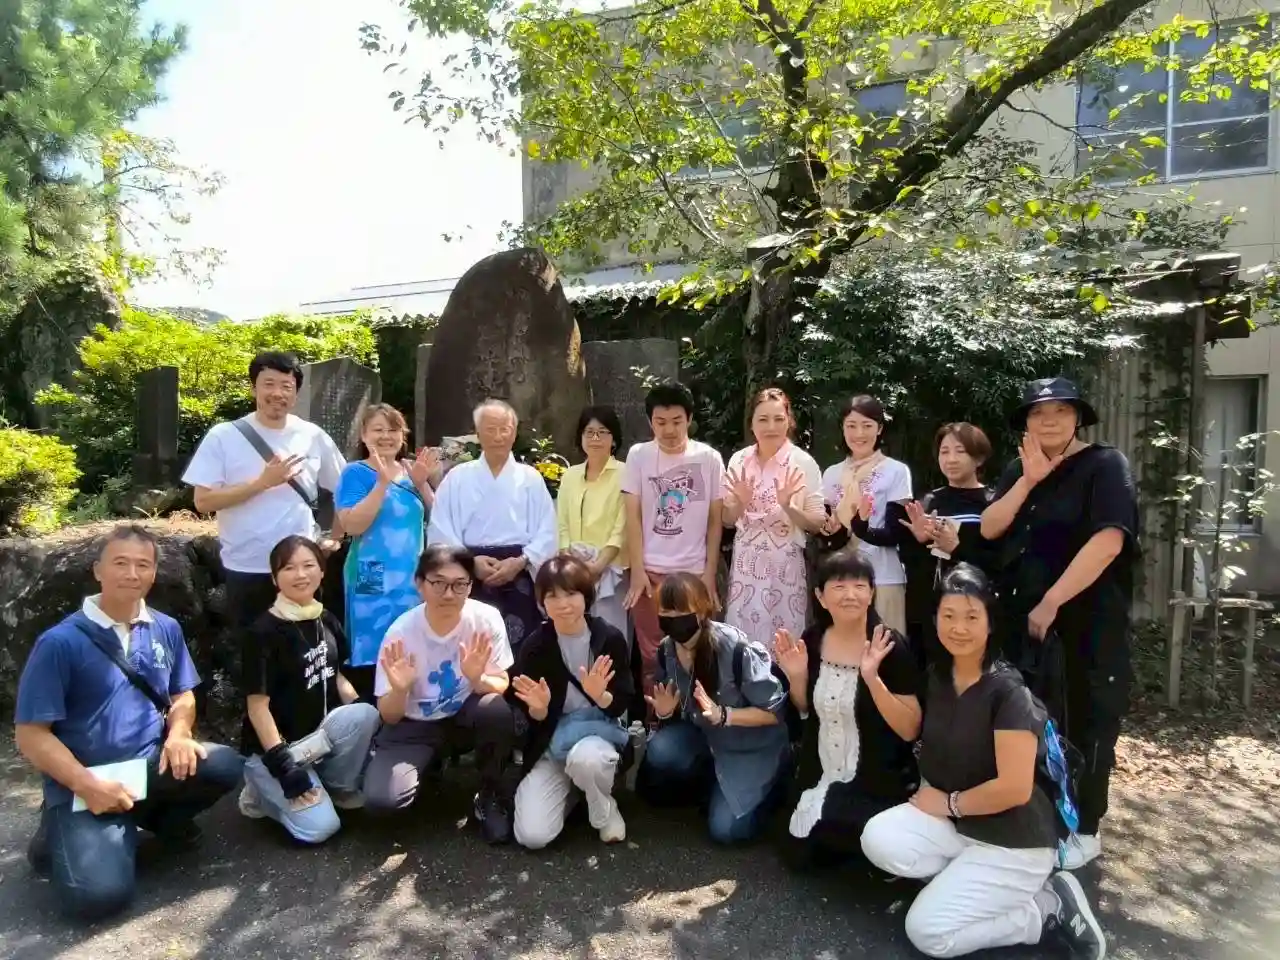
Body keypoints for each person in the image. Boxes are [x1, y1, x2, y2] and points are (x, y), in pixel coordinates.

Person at [860, 564, 1106, 960]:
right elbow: (910, 729)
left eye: (971, 617)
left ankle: (1045, 908)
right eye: (949, 615)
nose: (958, 627)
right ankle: (969, 886)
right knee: (879, 838)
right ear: (935, 619)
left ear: (991, 623)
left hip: (1014, 840)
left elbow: (1014, 788)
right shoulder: (940, 676)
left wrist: (948, 803)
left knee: (927, 933)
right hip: (962, 827)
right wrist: (873, 679)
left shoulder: (1009, 693)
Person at [14, 525, 244, 921]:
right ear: (98, 570)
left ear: (154, 573)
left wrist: (179, 734)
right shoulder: (60, 643)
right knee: (98, 897)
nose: (132, 574)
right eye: (120, 563)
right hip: (86, 779)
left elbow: (182, 695)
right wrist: (87, 785)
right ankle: (57, 832)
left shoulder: (165, 627)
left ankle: (152, 818)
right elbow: (31, 734)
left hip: (148, 766)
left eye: (143, 565)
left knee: (224, 764)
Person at [980, 377, 1138, 871]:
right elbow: (989, 527)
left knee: (1087, 720)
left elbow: (1109, 540)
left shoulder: (1105, 466)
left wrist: (1052, 601)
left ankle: (1085, 828)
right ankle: (1036, 818)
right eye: (1037, 413)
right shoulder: (1018, 468)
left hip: (1086, 621)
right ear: (1026, 423)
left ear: (1078, 418)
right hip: (1024, 623)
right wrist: (1028, 480)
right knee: (1030, 722)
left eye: (1060, 411)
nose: (1048, 421)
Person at [364, 545, 518, 843]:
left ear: (470, 586)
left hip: (463, 716)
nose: (449, 594)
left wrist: (477, 677)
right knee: (382, 802)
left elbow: (501, 684)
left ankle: (489, 795)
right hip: (412, 725)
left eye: (459, 584)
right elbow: (389, 714)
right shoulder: (400, 633)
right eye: (438, 583)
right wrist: (400, 689)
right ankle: (428, 769)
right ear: (419, 584)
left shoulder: (486, 619)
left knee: (495, 710)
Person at [183, 351, 346, 630]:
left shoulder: (312, 435)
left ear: (295, 393)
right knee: (252, 650)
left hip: (301, 569)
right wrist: (262, 483)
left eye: (286, 386)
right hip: (247, 567)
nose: (278, 393)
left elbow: (345, 487)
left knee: (305, 650)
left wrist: (336, 536)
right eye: (268, 384)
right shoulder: (224, 436)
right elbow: (203, 501)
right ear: (253, 388)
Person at [780, 551, 920, 867]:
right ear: (820, 596)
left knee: (851, 836)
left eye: (859, 586)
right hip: (821, 771)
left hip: (876, 775)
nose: (850, 595)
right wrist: (797, 677)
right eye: (839, 586)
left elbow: (910, 728)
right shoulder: (813, 639)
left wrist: (872, 679)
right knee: (801, 852)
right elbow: (805, 710)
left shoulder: (889, 645)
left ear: (872, 593)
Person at [238, 536, 382, 843]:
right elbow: (257, 707)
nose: (300, 574)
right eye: (289, 568)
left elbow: (336, 675)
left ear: (322, 571)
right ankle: (260, 794)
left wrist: (364, 714)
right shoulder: (262, 633)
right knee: (320, 828)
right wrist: (284, 766)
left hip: (317, 740)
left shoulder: (325, 618)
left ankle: (335, 788)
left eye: (308, 565)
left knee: (366, 714)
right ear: (274, 578)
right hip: (276, 750)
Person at [634, 573, 790, 843]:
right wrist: (665, 713)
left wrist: (725, 715)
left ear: (703, 609)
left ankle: (772, 784)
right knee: (661, 750)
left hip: (749, 747)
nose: (673, 618)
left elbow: (775, 712)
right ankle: (714, 784)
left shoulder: (736, 649)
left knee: (726, 831)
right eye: (666, 612)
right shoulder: (667, 651)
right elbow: (678, 707)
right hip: (707, 738)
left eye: (681, 611)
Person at [509, 553, 634, 849]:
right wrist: (538, 710)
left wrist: (600, 695)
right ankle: (579, 792)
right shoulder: (535, 646)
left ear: (586, 596)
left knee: (587, 761)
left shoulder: (608, 638)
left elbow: (621, 703)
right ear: (542, 601)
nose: (562, 603)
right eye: (552, 596)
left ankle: (603, 808)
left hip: (595, 736)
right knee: (532, 836)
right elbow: (531, 716)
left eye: (571, 593)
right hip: (553, 742)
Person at [857, 422, 1000, 666]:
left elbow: (999, 560)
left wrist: (958, 549)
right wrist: (919, 542)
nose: (951, 459)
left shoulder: (992, 502)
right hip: (930, 613)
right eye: (944, 452)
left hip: (975, 610)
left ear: (979, 458)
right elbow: (911, 562)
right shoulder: (928, 501)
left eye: (960, 451)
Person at [427, 399, 557, 649]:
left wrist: (521, 561)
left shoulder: (530, 478)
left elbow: (548, 530)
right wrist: (469, 562)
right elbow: (441, 528)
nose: (498, 436)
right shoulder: (457, 478)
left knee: (522, 647)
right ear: (477, 434)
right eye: (490, 429)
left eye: (504, 429)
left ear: (514, 433)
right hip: (468, 571)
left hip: (518, 571)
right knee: (470, 644)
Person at [622, 381, 725, 695]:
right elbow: (632, 517)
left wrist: (709, 574)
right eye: (661, 422)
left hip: (693, 573)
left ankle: (701, 713)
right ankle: (657, 718)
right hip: (650, 573)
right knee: (651, 655)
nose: (669, 430)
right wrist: (638, 571)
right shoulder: (638, 456)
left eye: (677, 421)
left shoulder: (709, 458)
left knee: (699, 648)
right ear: (650, 422)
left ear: (689, 419)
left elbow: (715, 521)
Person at [336, 403, 440, 699]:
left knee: (411, 645)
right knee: (373, 648)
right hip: (370, 574)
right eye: (378, 430)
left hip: (411, 576)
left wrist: (421, 483)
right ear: (364, 435)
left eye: (393, 429)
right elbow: (352, 525)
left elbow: (437, 518)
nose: (386, 436)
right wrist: (381, 485)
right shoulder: (356, 473)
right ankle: (372, 711)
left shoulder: (411, 470)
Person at [722, 387, 825, 657]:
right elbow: (727, 520)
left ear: (789, 421)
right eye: (763, 419)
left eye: (779, 419)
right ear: (751, 423)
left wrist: (790, 507)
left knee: (785, 641)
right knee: (742, 642)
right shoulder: (739, 460)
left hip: (785, 565)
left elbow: (817, 522)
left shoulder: (803, 462)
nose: (771, 427)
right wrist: (740, 502)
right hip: (746, 566)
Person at [821, 395, 912, 634]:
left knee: (888, 646)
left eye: (867, 425)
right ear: (842, 428)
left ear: (879, 428)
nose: (859, 433)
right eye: (851, 425)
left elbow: (895, 533)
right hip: (842, 578)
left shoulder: (896, 471)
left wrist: (860, 525)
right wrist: (832, 532)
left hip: (883, 577)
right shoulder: (831, 474)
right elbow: (832, 539)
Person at [556, 405, 630, 639]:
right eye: (589, 432)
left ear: (614, 439)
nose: (595, 439)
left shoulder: (626, 474)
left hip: (610, 570)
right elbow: (562, 521)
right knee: (575, 632)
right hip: (572, 569)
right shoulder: (570, 475)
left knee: (610, 634)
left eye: (602, 432)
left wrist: (598, 566)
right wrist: (567, 559)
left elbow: (623, 525)